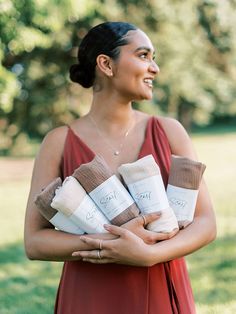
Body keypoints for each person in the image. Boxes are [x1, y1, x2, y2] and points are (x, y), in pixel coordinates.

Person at [24, 21, 216, 314]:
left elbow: (206, 223)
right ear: (106, 64)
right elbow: (34, 241)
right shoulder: (58, 142)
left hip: (161, 288)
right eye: (143, 55)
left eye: (154, 57)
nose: (155, 68)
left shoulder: (169, 132)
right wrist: (109, 243)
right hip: (88, 297)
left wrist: (149, 255)